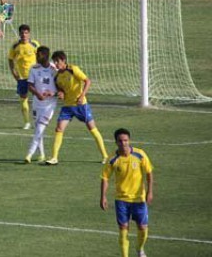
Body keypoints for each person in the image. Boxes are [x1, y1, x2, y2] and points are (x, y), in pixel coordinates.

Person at [45, 50, 108, 165]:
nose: (56, 64)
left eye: (57, 61)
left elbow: (87, 81)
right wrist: (58, 93)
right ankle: (54, 157)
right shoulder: (57, 77)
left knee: (92, 128)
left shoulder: (73, 69)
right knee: (59, 129)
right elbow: (60, 91)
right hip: (67, 107)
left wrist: (82, 95)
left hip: (81, 105)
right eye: (54, 61)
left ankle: (105, 156)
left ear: (64, 61)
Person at [101, 128, 154, 257]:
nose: (123, 143)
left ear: (129, 140)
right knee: (123, 229)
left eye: (125, 140)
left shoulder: (140, 154)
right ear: (116, 142)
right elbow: (105, 178)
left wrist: (150, 192)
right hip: (121, 200)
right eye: (120, 141)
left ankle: (139, 249)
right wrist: (103, 197)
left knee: (142, 228)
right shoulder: (112, 159)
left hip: (139, 199)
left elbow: (149, 173)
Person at [24, 46, 57, 163]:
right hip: (37, 104)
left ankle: (29, 154)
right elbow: (30, 85)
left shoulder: (55, 69)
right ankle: (42, 154)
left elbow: (62, 87)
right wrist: (37, 94)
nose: (36, 56)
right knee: (38, 129)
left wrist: (53, 93)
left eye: (38, 54)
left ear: (44, 55)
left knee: (39, 129)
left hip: (49, 105)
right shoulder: (34, 68)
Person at [8, 24, 39, 129]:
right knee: (23, 99)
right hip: (22, 77)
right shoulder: (15, 46)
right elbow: (10, 59)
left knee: (37, 99)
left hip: (35, 77)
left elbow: (41, 58)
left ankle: (36, 121)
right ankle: (27, 122)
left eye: (26, 33)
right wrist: (13, 72)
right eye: (22, 33)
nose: (24, 35)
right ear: (19, 34)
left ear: (29, 34)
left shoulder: (35, 44)